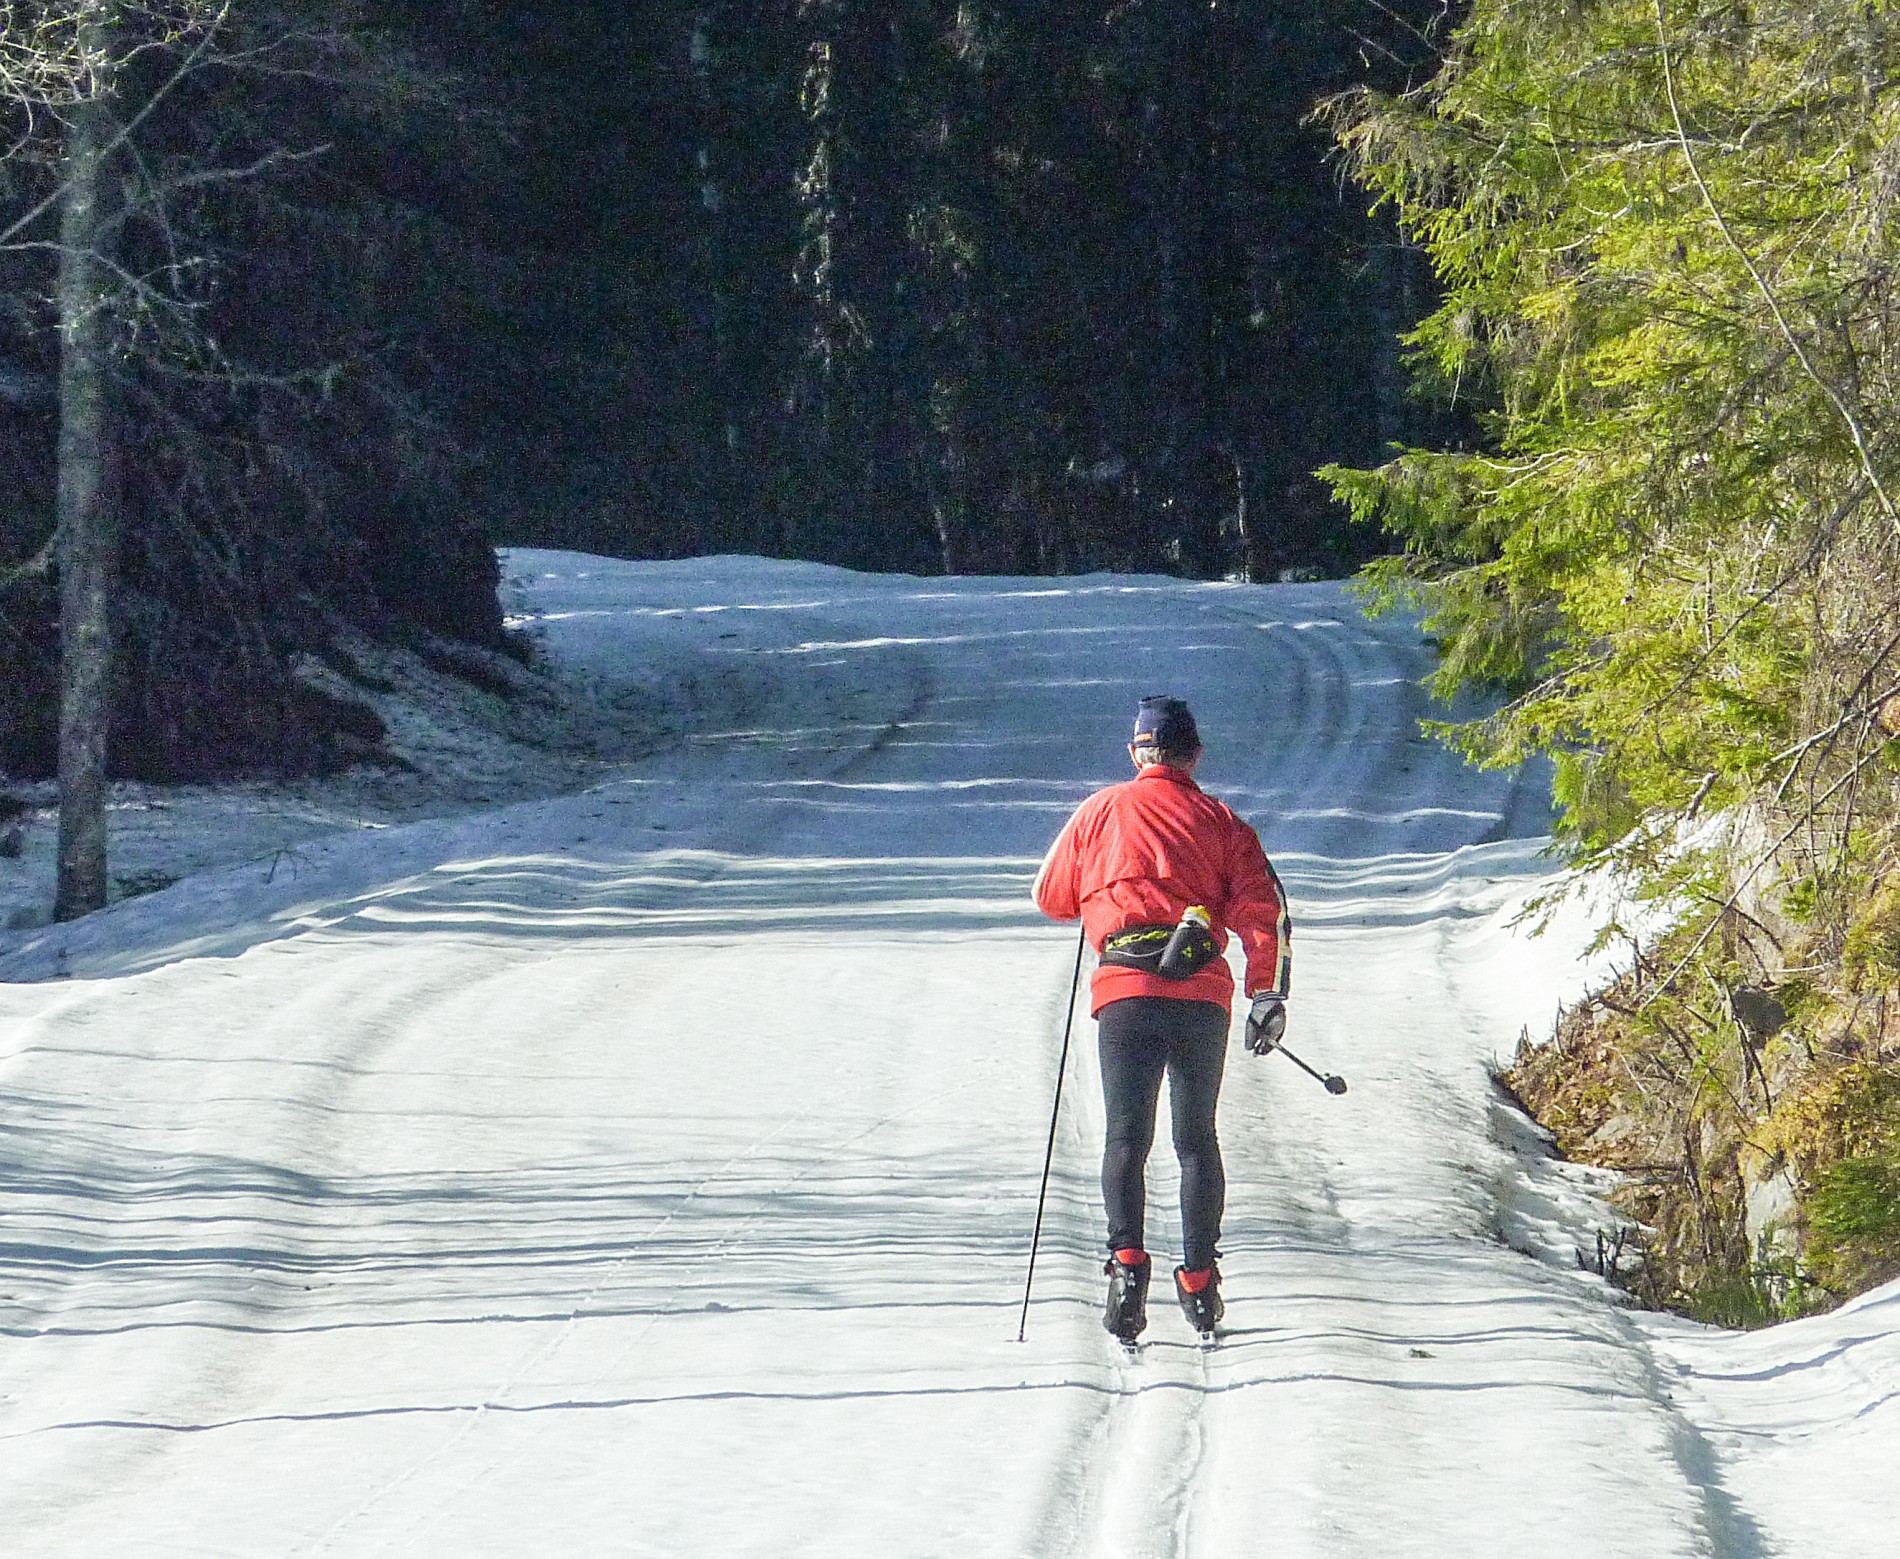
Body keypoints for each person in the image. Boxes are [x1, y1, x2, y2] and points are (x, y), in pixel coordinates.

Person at [1032, 695, 1291, 1341]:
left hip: (1124, 989)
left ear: (1135, 753)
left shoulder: (1098, 811)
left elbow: (1050, 896)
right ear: (1195, 753)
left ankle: (1126, 1271)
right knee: (1196, 1139)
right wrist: (1267, 994)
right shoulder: (1223, 821)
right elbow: (1265, 913)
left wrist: (1105, 895)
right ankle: (1200, 1284)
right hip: (1202, 994)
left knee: (1126, 1139)